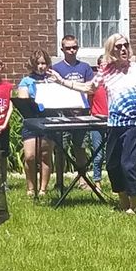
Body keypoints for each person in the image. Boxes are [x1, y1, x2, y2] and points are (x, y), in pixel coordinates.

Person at [50, 34, 136, 214]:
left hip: (134, 124)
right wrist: (61, 81)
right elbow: (89, 88)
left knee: (129, 165)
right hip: (114, 124)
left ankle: (134, 206)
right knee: (112, 165)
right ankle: (123, 203)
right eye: (118, 47)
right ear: (111, 50)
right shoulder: (106, 71)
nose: (123, 49)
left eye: (125, 45)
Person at [52, 35, 95, 190]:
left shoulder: (85, 67)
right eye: (68, 48)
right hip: (63, 113)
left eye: (74, 47)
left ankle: (83, 180)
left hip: (82, 113)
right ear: (62, 49)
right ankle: (59, 182)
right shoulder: (56, 68)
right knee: (60, 149)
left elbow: (91, 88)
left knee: (81, 148)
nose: (71, 50)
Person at [17, 49, 57, 197]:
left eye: (44, 63)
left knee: (45, 155)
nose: (41, 66)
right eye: (38, 63)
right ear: (33, 64)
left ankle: (43, 189)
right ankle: (30, 187)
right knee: (30, 156)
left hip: (48, 120)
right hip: (31, 121)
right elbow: (23, 101)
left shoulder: (52, 80)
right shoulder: (26, 81)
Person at [89, 55, 108, 193]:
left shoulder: (114, 82)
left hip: (111, 121)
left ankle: (116, 184)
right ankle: (97, 183)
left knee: (113, 154)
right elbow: (89, 100)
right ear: (98, 67)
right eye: (103, 65)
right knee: (98, 154)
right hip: (96, 120)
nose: (105, 67)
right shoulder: (94, 84)